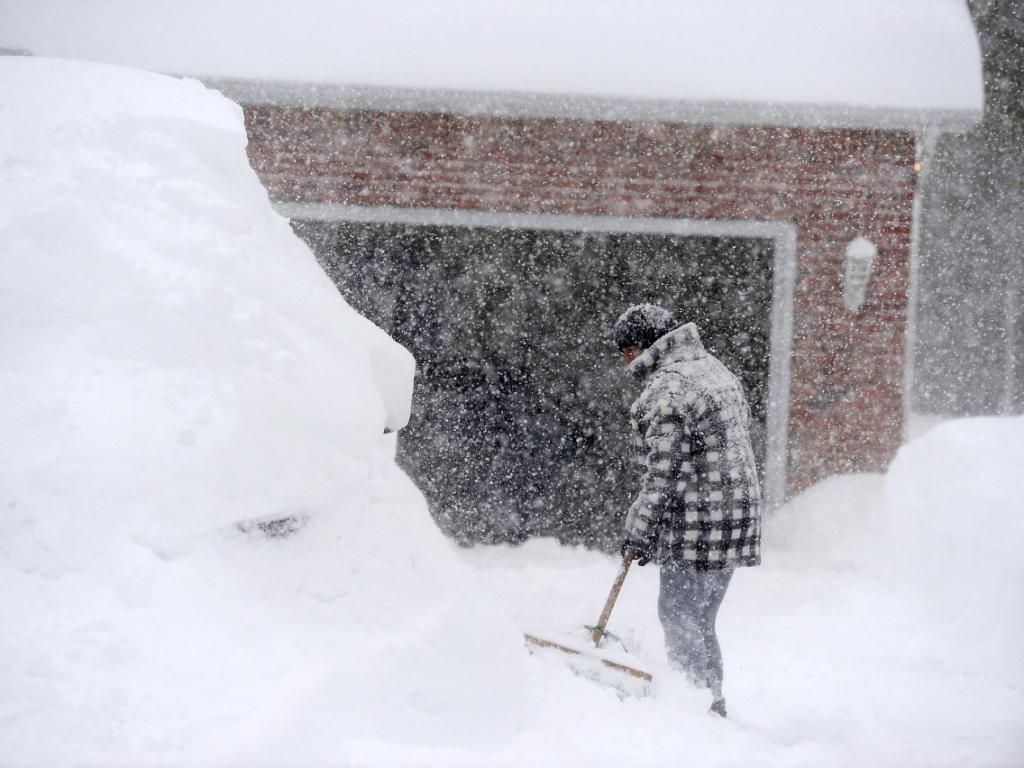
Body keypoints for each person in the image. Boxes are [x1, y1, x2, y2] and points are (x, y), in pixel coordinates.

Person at [613, 303, 761, 717]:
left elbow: (665, 473)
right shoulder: (713, 369)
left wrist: (640, 530)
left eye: (626, 350)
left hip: (699, 520)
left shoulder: (668, 389)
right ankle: (712, 701)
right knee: (701, 619)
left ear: (641, 346)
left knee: (678, 615)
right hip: (736, 515)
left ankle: (695, 711)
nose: (626, 361)